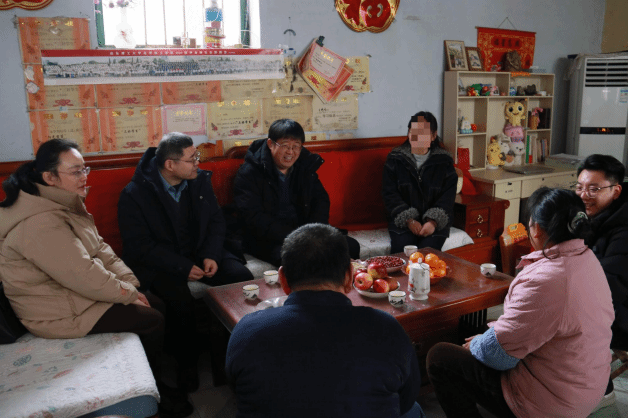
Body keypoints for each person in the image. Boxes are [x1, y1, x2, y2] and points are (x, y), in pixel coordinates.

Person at [0, 139, 192, 418]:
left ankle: (157, 379)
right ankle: (153, 394)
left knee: (156, 302)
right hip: (54, 311)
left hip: (70, 293)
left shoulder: (61, 202)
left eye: (84, 169)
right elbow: (82, 274)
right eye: (75, 171)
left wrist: (129, 283)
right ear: (49, 177)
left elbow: (100, 249)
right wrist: (127, 294)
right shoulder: (39, 222)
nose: (84, 177)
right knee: (152, 319)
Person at [426, 187, 614, 417]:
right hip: (587, 385)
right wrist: (490, 337)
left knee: (440, 358)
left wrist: (478, 345)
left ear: (537, 229)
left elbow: (498, 357)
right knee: (487, 333)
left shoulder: (547, 279)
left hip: (554, 403)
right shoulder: (586, 257)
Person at [225, 223, 424, 418]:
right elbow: (406, 398)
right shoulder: (387, 329)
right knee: (413, 409)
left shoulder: (246, 331)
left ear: (283, 279)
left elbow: (238, 393)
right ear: (350, 276)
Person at [117, 132, 253, 392]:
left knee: (241, 278)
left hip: (201, 252)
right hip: (162, 262)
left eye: (197, 156)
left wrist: (211, 254)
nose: (197, 163)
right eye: (192, 159)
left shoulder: (198, 181)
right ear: (170, 164)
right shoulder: (135, 194)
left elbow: (216, 221)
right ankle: (186, 366)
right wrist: (181, 267)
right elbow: (139, 245)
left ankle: (236, 353)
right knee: (178, 300)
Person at [233, 118, 360, 266]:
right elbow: (253, 217)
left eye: (296, 146)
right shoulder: (249, 173)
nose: (290, 152)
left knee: (349, 246)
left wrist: (315, 232)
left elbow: (320, 200)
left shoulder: (304, 165)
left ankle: (338, 280)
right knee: (297, 258)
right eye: (285, 146)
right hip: (268, 238)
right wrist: (298, 237)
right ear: (270, 144)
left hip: (306, 232)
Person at [575, 154, 628, 409]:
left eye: (594, 189)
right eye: (580, 187)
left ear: (616, 191)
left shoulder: (623, 230)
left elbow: (609, 288)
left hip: (621, 313)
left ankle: (600, 391)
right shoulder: (596, 218)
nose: (584, 195)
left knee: (564, 322)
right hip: (608, 301)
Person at [382, 111, 457, 254]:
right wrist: (409, 220)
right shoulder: (395, 160)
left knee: (427, 254)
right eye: (413, 131)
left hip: (435, 224)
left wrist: (433, 222)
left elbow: (447, 197)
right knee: (403, 252)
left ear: (433, 136)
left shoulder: (444, 162)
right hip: (402, 222)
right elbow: (389, 194)